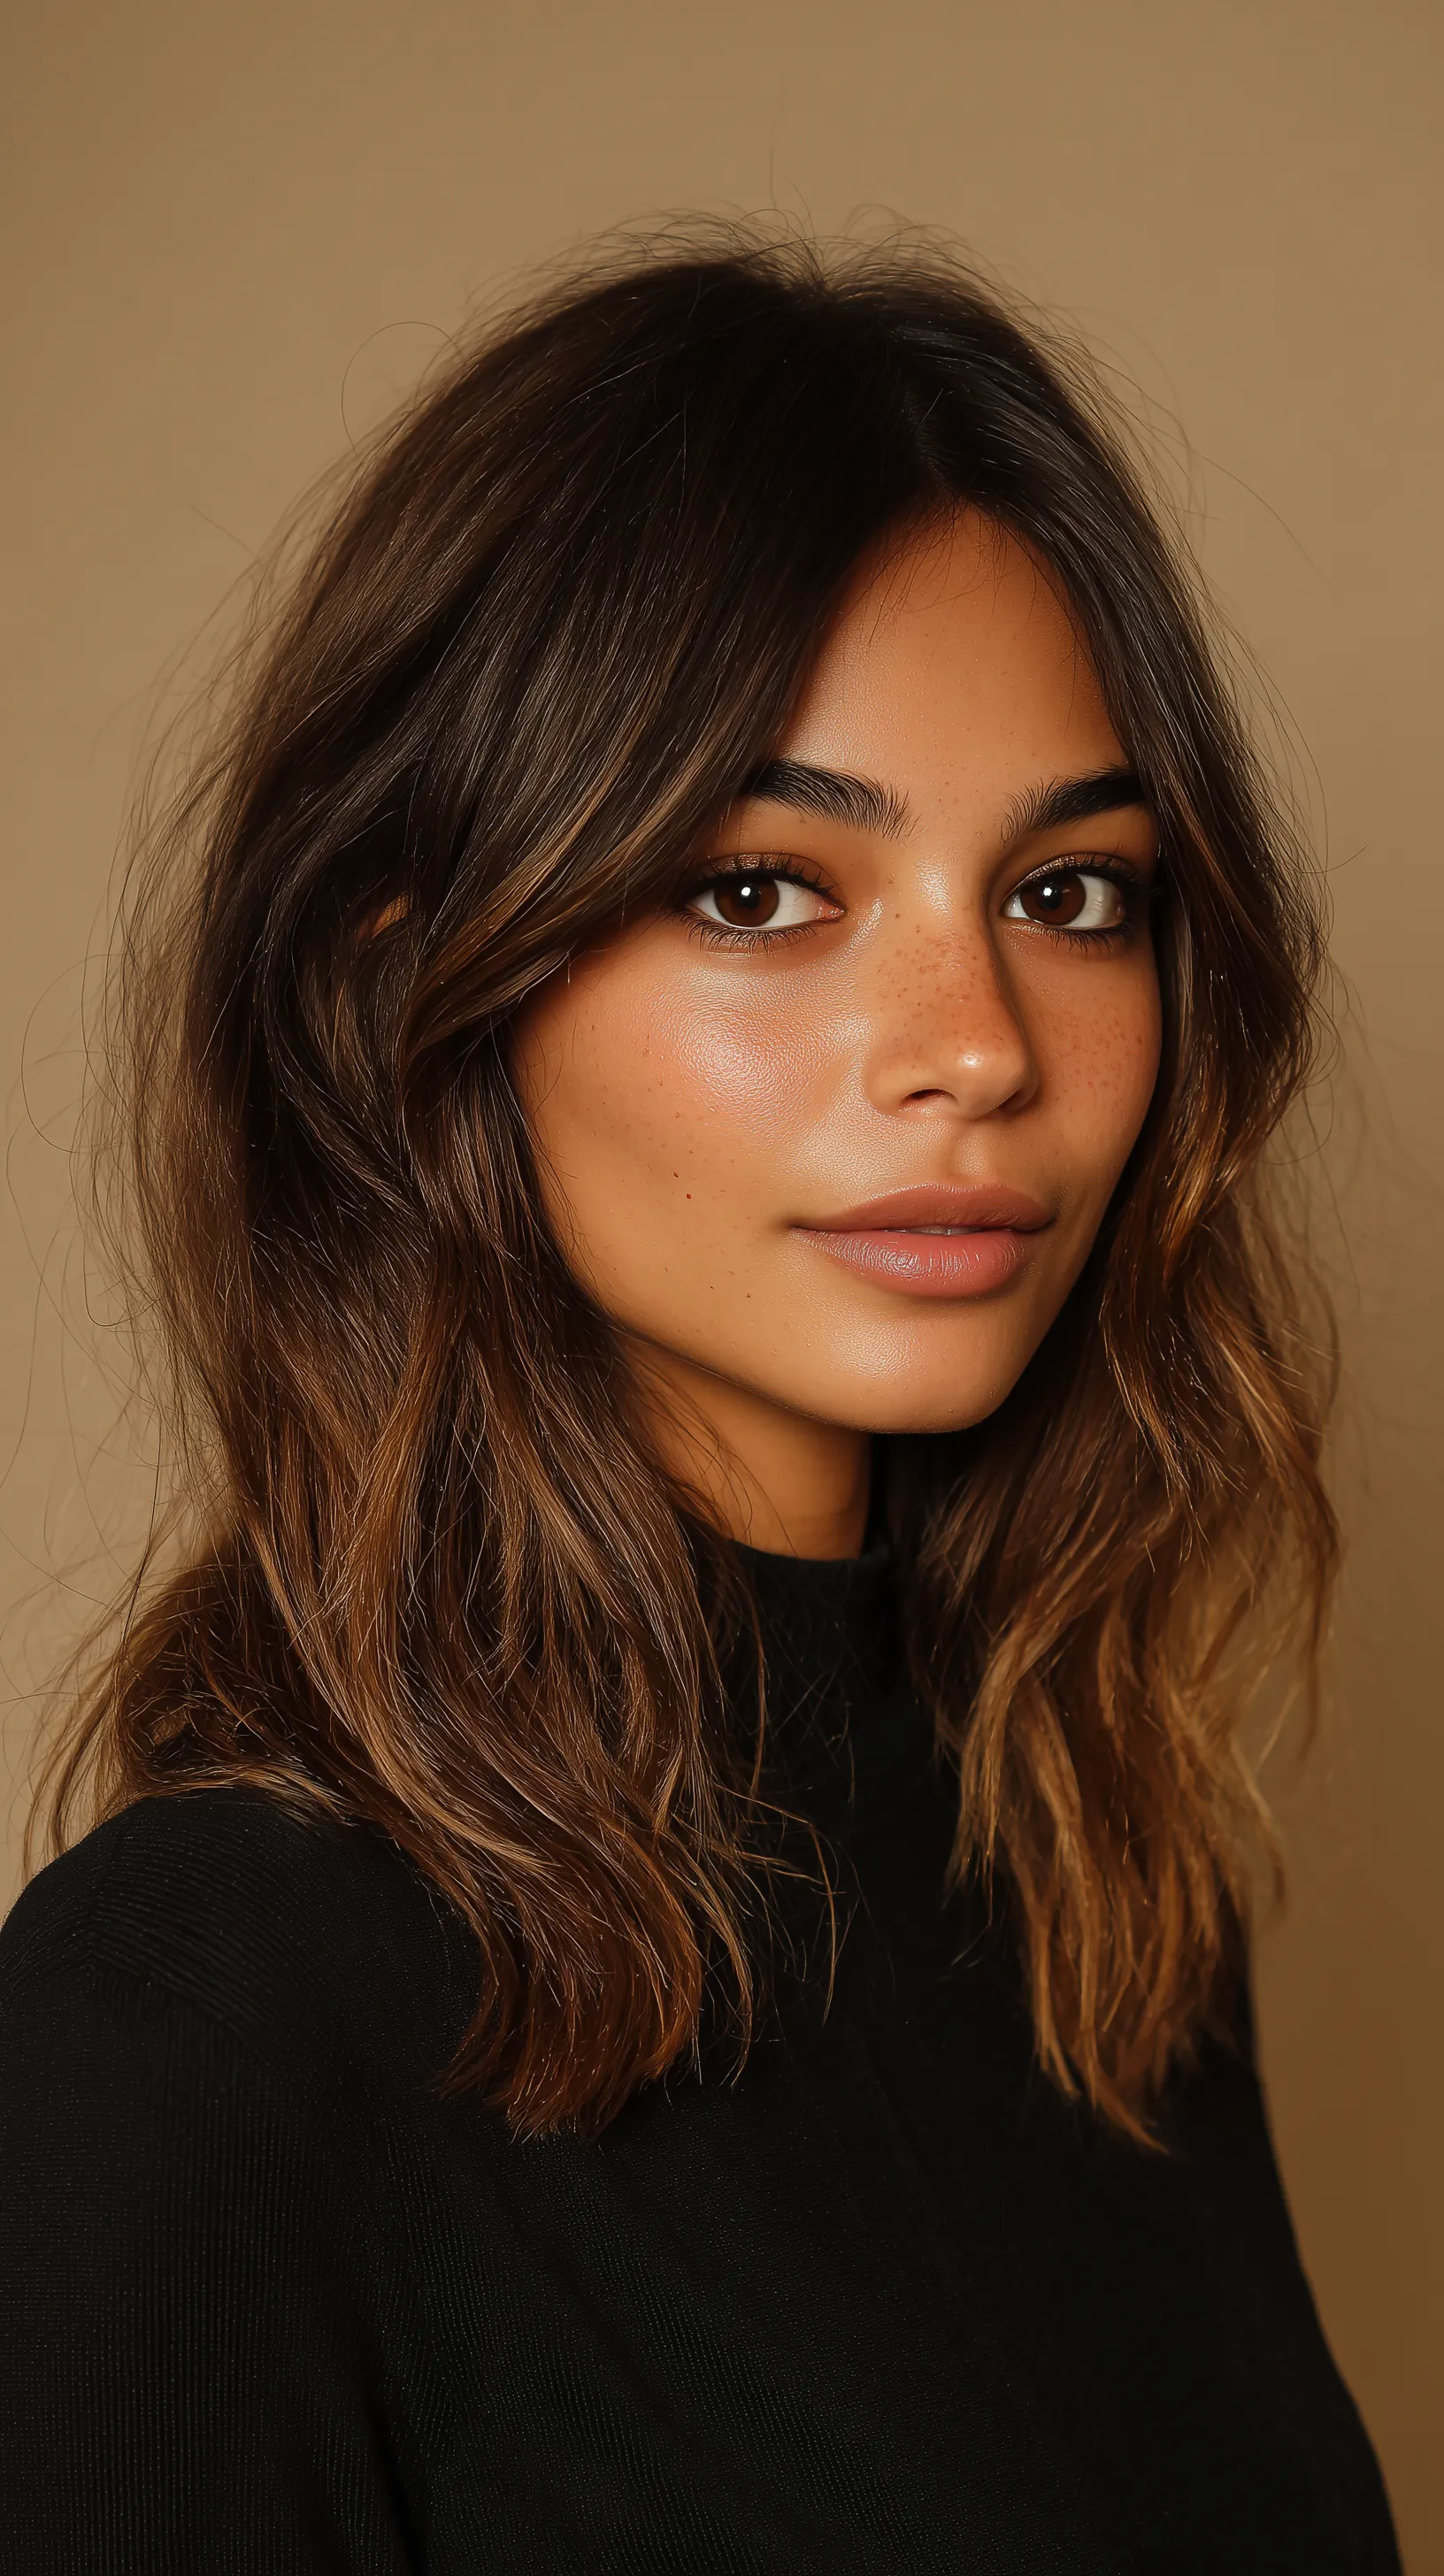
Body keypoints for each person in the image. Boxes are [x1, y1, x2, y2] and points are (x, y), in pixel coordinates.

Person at [0, 228, 1400, 2572]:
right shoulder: (206, 2023)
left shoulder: (1095, 1902)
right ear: (413, 987)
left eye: (1072, 892)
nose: (979, 1041)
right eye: (765, 891)